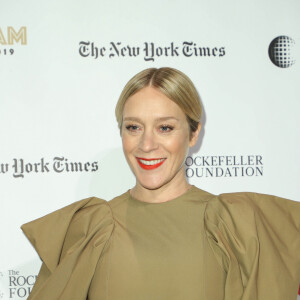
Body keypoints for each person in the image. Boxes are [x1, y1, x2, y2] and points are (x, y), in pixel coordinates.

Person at [22, 67, 300, 300]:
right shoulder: (89, 229)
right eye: (134, 127)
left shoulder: (234, 225)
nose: (147, 144)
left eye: (164, 127)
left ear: (193, 134)